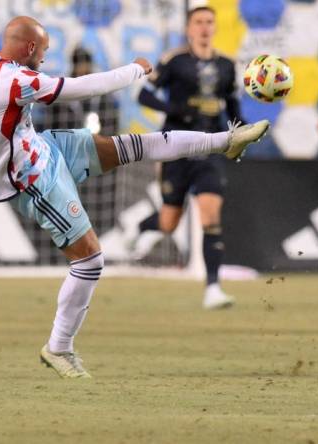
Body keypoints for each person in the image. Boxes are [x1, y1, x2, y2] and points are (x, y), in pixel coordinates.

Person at [0, 16, 270, 379]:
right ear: (29, 48)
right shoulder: (18, 80)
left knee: (132, 145)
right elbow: (84, 88)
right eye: (44, 50)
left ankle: (224, 140)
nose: (46, 58)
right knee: (90, 260)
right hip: (30, 179)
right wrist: (135, 70)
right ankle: (59, 347)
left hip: (45, 148)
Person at [136, 6, 243, 310]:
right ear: (189, 28)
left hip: (210, 147)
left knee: (210, 216)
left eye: (210, 22)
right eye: (199, 22)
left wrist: (241, 133)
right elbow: (143, 95)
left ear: (215, 27)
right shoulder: (174, 61)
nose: (205, 27)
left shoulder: (226, 65)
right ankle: (145, 229)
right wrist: (175, 110)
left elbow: (233, 104)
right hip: (175, 147)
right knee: (169, 221)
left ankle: (213, 288)